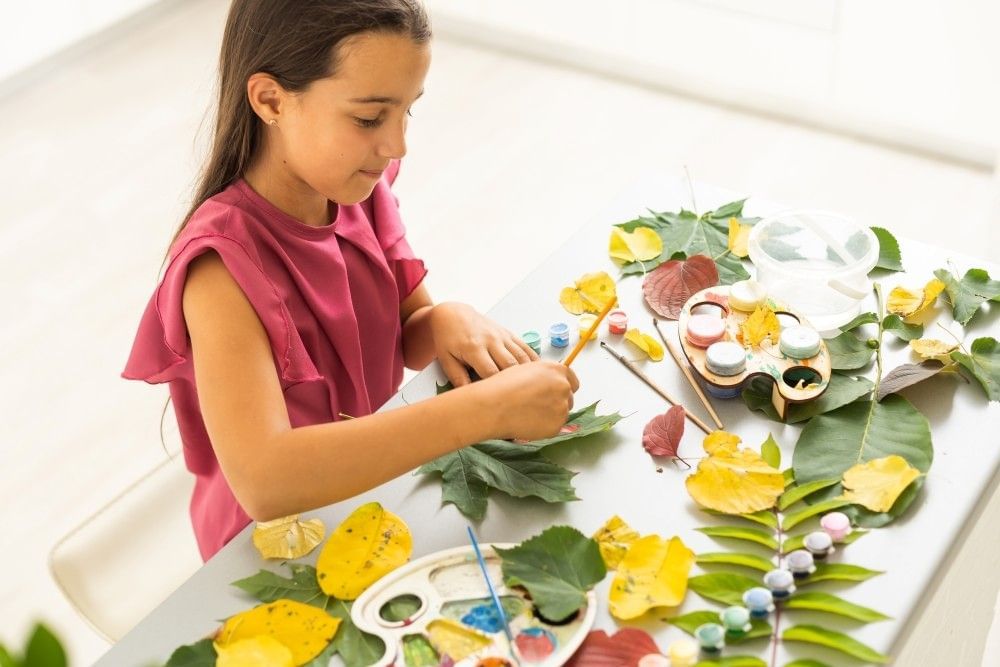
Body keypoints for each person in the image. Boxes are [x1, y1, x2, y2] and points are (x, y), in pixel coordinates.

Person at [122, 0, 579, 560]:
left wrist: (446, 319)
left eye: (408, 112)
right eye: (369, 118)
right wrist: (486, 411)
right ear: (270, 100)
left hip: (372, 495)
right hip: (278, 544)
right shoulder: (220, 267)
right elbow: (267, 481)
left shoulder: (357, 188)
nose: (397, 145)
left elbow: (408, 328)